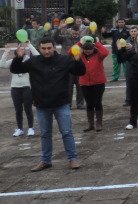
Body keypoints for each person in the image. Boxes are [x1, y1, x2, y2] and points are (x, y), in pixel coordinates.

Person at [10, 37, 86, 171]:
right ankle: (46, 160)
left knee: (66, 132)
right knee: (45, 134)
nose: (46, 51)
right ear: (39, 49)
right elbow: (15, 69)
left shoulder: (64, 60)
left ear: (54, 48)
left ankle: (73, 159)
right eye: (44, 48)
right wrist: (18, 57)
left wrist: (78, 59)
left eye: (49, 48)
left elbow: (81, 72)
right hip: (41, 104)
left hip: (61, 103)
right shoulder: (33, 61)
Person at [1, 42, 38, 137]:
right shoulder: (13, 62)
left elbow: (38, 56)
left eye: (22, 50)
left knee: (28, 109)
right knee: (18, 109)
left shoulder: (29, 61)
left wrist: (30, 45)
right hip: (15, 88)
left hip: (27, 88)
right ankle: (20, 129)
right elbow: (2, 64)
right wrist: (6, 52)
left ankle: (30, 128)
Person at [78, 37, 110, 132]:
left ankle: (99, 123)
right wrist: (79, 44)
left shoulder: (98, 54)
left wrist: (97, 43)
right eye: (85, 52)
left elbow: (105, 52)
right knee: (89, 103)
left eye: (89, 52)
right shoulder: (81, 55)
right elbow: (70, 52)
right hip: (84, 83)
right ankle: (90, 124)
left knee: (97, 102)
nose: (87, 53)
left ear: (93, 49)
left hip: (98, 82)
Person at [52, 24, 86, 110]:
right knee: (68, 86)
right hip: (67, 65)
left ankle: (80, 103)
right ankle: (68, 103)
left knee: (80, 86)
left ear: (79, 32)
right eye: (73, 33)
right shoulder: (64, 38)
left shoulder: (82, 40)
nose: (74, 35)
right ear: (71, 31)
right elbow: (54, 38)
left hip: (78, 64)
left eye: (76, 33)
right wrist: (59, 28)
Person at [103, 18, 130, 82]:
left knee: (126, 65)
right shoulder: (113, 29)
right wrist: (104, 32)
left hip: (125, 51)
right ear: (117, 23)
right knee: (116, 65)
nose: (121, 23)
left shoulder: (128, 30)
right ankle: (115, 77)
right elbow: (106, 36)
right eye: (119, 22)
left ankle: (127, 77)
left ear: (124, 23)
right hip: (115, 50)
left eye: (122, 22)